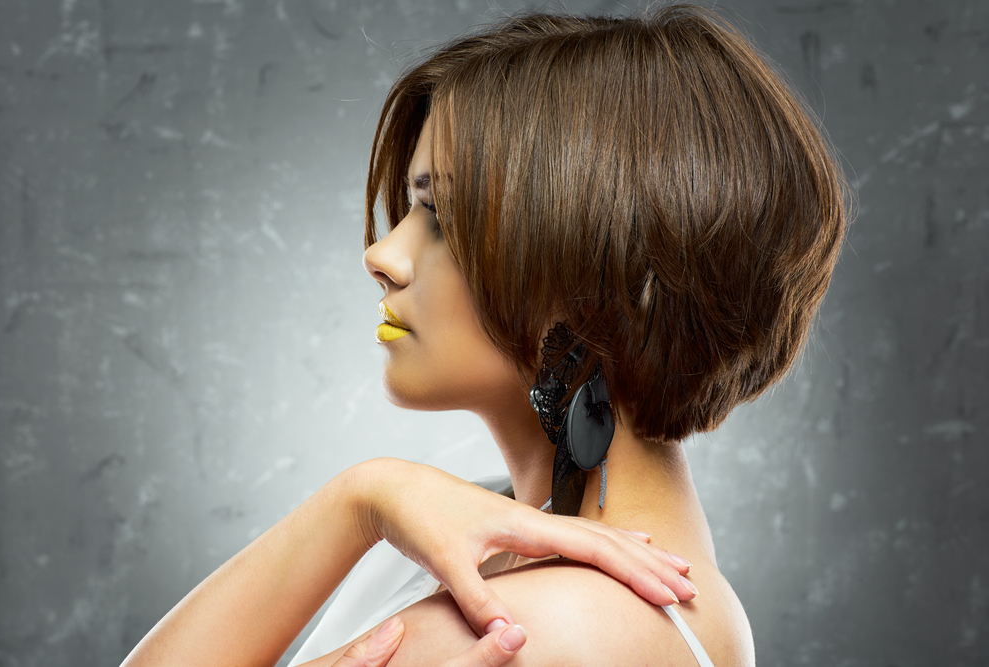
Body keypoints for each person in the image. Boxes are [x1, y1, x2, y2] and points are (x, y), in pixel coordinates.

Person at [121, 5, 846, 667]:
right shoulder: (455, 528)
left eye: (444, 219)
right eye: (410, 207)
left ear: (601, 269)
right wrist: (364, 498)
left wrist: (369, 502)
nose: (383, 256)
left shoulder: (559, 624)